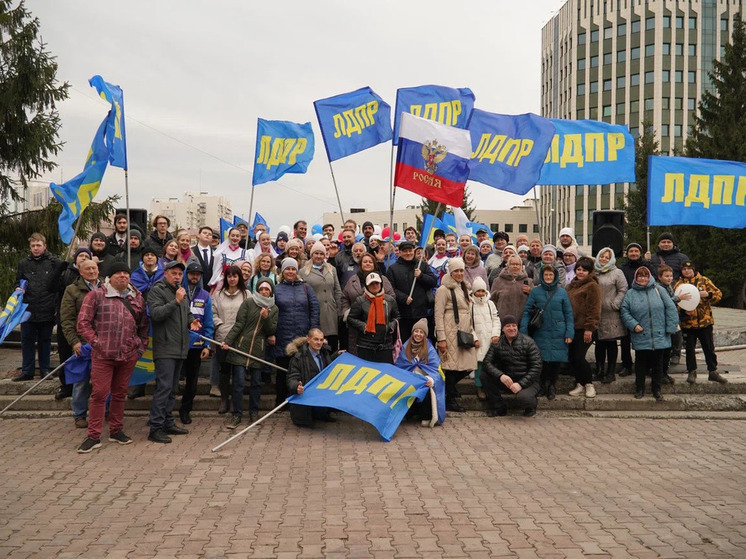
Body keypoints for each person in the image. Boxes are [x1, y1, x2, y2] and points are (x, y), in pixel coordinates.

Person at [75, 261, 149, 453]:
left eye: (126, 273)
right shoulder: (96, 295)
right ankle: (93, 436)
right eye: (118, 274)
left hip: (128, 355)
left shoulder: (137, 298)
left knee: (120, 393)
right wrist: (96, 342)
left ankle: (116, 431)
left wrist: (140, 348)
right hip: (102, 356)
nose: (123, 276)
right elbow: (83, 323)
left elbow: (143, 326)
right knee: (99, 395)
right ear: (110, 277)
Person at [146, 261, 201, 443]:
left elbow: (186, 313)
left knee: (172, 389)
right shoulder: (157, 290)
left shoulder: (181, 291)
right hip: (165, 348)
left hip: (180, 347)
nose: (178, 277)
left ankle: (168, 422)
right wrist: (175, 301)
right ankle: (155, 427)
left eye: (180, 274)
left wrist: (192, 321)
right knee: (163, 388)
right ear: (166, 273)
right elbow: (156, 314)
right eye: (174, 273)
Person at [221, 277, 278, 428]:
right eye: (262, 289)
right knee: (238, 383)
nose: (264, 292)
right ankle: (237, 414)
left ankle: (254, 413)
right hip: (241, 348)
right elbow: (239, 324)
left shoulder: (274, 308)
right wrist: (228, 341)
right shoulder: (248, 303)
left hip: (258, 350)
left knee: (256, 383)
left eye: (267, 289)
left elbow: (271, 330)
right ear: (257, 290)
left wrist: (265, 319)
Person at [621, 266, 679, 400]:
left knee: (658, 365)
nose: (643, 278)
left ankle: (656, 390)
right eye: (640, 276)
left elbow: (671, 308)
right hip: (641, 334)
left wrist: (670, 328)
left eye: (645, 276)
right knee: (640, 364)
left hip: (660, 334)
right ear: (636, 278)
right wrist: (634, 325)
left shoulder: (659, 290)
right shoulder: (630, 293)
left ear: (649, 277)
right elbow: (624, 311)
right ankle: (639, 389)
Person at [13, 233, 64, 382]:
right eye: (33, 246)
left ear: (44, 246)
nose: (36, 248)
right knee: (27, 340)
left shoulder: (54, 262)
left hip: (47, 308)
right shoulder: (23, 264)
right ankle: (27, 371)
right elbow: (18, 281)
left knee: (45, 341)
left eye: (38, 245)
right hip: (28, 309)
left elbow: (58, 286)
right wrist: (18, 288)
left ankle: (45, 370)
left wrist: (56, 306)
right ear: (30, 247)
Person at [270, 258, 320, 406]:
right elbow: (272, 312)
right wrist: (271, 332)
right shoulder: (277, 289)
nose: (290, 272)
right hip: (282, 334)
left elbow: (315, 309)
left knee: (302, 369)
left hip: (302, 335)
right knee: (282, 370)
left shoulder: (306, 288)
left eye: (293, 269)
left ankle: (300, 402)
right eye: (287, 269)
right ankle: (281, 401)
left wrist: (313, 332)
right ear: (282, 271)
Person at [520, 265, 573, 401]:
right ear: (542, 277)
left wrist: (569, 333)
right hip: (541, 331)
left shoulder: (562, 292)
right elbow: (527, 312)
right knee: (541, 360)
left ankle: (552, 386)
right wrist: (523, 331)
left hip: (558, 332)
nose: (548, 277)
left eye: (551, 275)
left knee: (555, 361)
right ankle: (543, 385)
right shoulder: (535, 292)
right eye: (546, 275)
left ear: (555, 276)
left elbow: (568, 314)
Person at [60, 258, 100, 428]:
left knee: (102, 381)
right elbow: (67, 319)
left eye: (94, 268)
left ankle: (102, 412)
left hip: (103, 344)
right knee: (81, 382)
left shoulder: (106, 288)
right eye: (88, 269)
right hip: (82, 344)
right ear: (81, 272)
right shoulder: (72, 290)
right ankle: (79, 414)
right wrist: (74, 342)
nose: (91, 271)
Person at [434, 258, 478, 412]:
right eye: (456, 271)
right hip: (450, 332)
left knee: (467, 366)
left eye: (461, 270)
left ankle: (449, 390)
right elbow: (438, 315)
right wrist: (442, 338)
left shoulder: (463, 287)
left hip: (464, 333)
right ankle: (449, 398)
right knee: (451, 368)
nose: (459, 273)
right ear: (450, 272)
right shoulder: (443, 290)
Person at [674, 261, 727, 385]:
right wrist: (683, 311)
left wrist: (708, 295)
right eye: (684, 269)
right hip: (689, 323)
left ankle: (713, 371)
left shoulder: (704, 280)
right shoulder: (679, 284)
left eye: (689, 268)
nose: (687, 271)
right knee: (689, 349)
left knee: (709, 348)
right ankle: (692, 371)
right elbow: (674, 302)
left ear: (693, 269)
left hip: (705, 322)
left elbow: (718, 294)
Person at [481, 315, 543, 417]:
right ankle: (499, 407)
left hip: (528, 381)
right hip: (508, 380)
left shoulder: (529, 342)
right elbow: (486, 363)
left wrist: (521, 384)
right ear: (503, 329)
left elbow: (537, 367)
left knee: (524, 398)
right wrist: (500, 375)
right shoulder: (497, 343)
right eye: (508, 326)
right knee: (484, 376)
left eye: (514, 325)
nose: (511, 328)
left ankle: (531, 406)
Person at [178, 262, 214, 426]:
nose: (195, 276)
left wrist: (207, 345)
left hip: (196, 345)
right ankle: (163, 411)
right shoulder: (179, 292)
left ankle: (185, 411)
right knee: (171, 381)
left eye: (198, 274)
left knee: (192, 382)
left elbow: (208, 322)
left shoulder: (206, 295)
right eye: (192, 273)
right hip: (177, 344)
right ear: (187, 274)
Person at [211, 264, 251, 414]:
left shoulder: (247, 294)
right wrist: (219, 325)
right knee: (224, 371)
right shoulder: (218, 295)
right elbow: (212, 313)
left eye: (235, 276)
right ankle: (224, 399)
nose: (232, 279)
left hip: (240, 339)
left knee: (238, 373)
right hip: (223, 337)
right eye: (229, 276)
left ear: (239, 277)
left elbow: (250, 315)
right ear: (226, 278)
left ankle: (236, 400)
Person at [53, 247, 92, 399]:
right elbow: (53, 288)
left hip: (89, 332)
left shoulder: (100, 284)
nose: (83, 258)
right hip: (70, 324)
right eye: (80, 255)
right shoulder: (67, 276)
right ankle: (66, 386)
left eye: (86, 256)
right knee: (66, 355)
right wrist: (58, 270)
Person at [341, 253, 395, 354]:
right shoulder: (352, 280)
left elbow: (392, 297)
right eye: (365, 262)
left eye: (370, 262)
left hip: (379, 325)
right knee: (357, 354)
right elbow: (344, 298)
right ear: (360, 264)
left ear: (374, 264)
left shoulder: (383, 279)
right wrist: (346, 312)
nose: (368, 264)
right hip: (357, 325)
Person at [395, 318, 443, 426]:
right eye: (416, 331)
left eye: (421, 332)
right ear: (413, 333)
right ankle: (407, 414)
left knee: (426, 389)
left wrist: (431, 380)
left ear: (425, 335)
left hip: (424, 379)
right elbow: (400, 366)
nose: (418, 334)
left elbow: (436, 370)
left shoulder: (430, 350)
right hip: (409, 378)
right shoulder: (405, 347)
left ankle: (425, 416)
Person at [565, 257, 602, 398]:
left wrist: (589, 328)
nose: (580, 272)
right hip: (572, 327)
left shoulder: (592, 286)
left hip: (585, 328)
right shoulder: (571, 286)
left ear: (590, 272)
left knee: (579, 357)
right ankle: (579, 383)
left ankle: (589, 384)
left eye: (584, 270)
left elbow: (594, 309)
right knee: (572, 358)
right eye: (578, 269)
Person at [386, 241, 438, 342]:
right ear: (400, 253)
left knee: (422, 342)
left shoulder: (421, 265)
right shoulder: (393, 269)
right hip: (403, 314)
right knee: (405, 343)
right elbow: (390, 289)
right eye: (405, 251)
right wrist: (403, 298)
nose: (408, 253)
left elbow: (433, 281)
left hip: (421, 313)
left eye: (410, 250)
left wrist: (421, 276)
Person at [286, 328, 338, 427]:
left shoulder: (324, 353)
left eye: (321, 340)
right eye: (316, 339)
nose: (319, 342)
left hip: (320, 400)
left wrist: (336, 356)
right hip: (305, 406)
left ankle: (323, 413)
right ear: (308, 340)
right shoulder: (298, 357)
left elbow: (327, 370)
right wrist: (296, 386)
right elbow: (292, 377)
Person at [299, 240, 343, 351]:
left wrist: (338, 309)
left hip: (331, 313)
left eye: (321, 253)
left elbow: (337, 290)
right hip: (315, 313)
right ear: (311, 254)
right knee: (318, 344)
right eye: (316, 253)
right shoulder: (303, 272)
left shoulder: (332, 269)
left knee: (332, 344)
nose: (319, 256)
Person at [594, 247, 628, 384]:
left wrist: (615, 304)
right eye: (601, 256)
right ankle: (600, 370)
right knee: (599, 344)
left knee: (611, 343)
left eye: (607, 257)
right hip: (597, 314)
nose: (603, 259)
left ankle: (610, 372)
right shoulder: (594, 272)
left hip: (611, 313)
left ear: (611, 259)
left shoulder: (617, 272)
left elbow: (623, 290)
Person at [348, 273, 399, 363]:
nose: (375, 286)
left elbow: (397, 317)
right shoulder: (360, 301)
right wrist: (364, 326)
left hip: (385, 345)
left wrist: (391, 326)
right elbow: (351, 319)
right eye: (372, 284)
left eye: (377, 283)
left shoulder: (390, 300)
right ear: (367, 286)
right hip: (365, 345)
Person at [618, 242, 653, 376]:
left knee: (646, 337)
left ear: (640, 253)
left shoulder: (647, 267)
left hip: (645, 306)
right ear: (627, 253)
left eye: (636, 251)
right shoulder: (622, 268)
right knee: (625, 338)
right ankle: (626, 365)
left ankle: (646, 365)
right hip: (628, 304)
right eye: (631, 251)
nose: (633, 253)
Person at [471, 277, 501, 401]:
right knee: (479, 365)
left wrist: (495, 334)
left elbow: (496, 319)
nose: (481, 294)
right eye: (478, 291)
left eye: (483, 291)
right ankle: (479, 387)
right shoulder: (470, 304)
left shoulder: (490, 304)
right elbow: (468, 324)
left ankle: (490, 387)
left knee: (490, 364)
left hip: (490, 339)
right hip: (478, 340)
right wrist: (474, 338)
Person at [490, 255, 530, 320]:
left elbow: (534, 300)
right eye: (512, 264)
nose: (515, 266)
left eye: (518, 264)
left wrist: (530, 291)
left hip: (522, 321)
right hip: (502, 320)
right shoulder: (498, 281)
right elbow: (492, 300)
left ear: (521, 266)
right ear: (508, 266)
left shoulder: (528, 281)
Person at [191, 226, 214, 291]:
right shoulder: (192, 252)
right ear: (198, 235)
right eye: (204, 233)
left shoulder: (216, 253)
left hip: (212, 290)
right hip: (195, 287)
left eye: (210, 234)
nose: (207, 235)